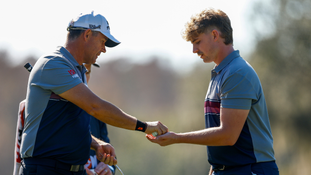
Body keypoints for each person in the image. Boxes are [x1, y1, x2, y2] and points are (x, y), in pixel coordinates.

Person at [19, 11, 168, 175]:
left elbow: (65, 125)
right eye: (103, 41)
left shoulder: (79, 70)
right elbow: (96, 107)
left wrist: (96, 144)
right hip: (45, 169)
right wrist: (144, 126)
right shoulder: (53, 63)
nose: (104, 49)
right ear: (87, 34)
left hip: (70, 169)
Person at [147, 8, 279, 175]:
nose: (194, 50)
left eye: (197, 41)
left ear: (215, 35)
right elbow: (220, 137)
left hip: (251, 169)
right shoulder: (221, 73)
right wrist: (214, 168)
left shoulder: (237, 73)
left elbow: (228, 135)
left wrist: (177, 138)